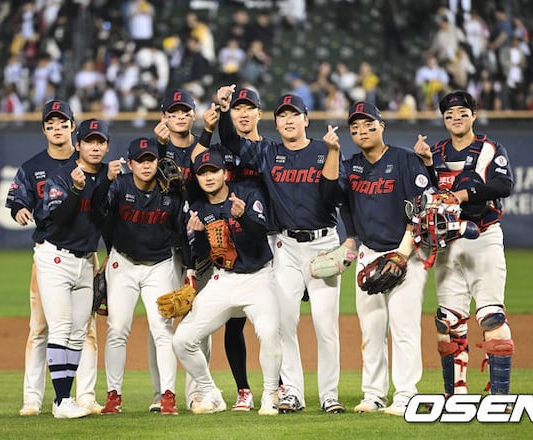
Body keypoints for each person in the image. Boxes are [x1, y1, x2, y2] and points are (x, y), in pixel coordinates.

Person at [195, 88, 345, 413]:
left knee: (325, 325)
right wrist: (224, 111)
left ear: (306, 119)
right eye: (283, 116)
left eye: (294, 115)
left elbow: (335, 196)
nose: (289, 120)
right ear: (275, 123)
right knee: (284, 323)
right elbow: (231, 141)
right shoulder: (267, 153)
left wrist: (333, 153)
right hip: (285, 245)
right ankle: (292, 392)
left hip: (323, 244)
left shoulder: (324, 150)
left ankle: (329, 395)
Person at [321, 101, 430, 416]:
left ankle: (406, 394)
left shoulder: (405, 160)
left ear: (382, 126)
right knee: (371, 329)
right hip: (369, 254)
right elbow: (333, 197)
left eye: (369, 125)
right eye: (355, 128)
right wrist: (332, 152)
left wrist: (402, 253)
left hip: (407, 253)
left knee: (404, 327)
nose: (362, 131)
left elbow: (423, 208)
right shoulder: (351, 165)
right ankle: (374, 394)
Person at [413, 90, 515, 400]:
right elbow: (428, 190)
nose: (456, 118)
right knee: (447, 322)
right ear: (443, 120)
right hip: (448, 243)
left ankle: (500, 399)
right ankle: (455, 397)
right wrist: (426, 163)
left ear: (474, 115)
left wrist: (462, 195)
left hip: (483, 237)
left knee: (492, 317)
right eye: (449, 115)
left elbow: (504, 184)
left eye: (462, 113)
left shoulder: (489, 148)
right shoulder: (436, 152)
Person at [5, 100, 102, 417]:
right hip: (51, 253)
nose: (57, 128)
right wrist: (19, 208)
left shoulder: (90, 160)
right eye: (51, 124)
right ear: (43, 129)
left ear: (73, 126)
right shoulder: (33, 167)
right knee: (40, 328)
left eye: (62, 123)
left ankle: (84, 396)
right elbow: (17, 198)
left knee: (85, 329)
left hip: (86, 254)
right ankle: (33, 398)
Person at [172, 150, 282, 416]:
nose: (208, 177)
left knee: (268, 333)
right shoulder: (198, 209)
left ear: (225, 173)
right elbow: (202, 252)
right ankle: (210, 393)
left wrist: (243, 216)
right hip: (223, 280)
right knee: (182, 340)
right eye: (203, 173)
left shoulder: (247, 194)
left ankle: (270, 395)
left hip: (258, 279)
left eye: (213, 171)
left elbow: (260, 235)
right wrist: (199, 235)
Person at [91, 137, 189, 416]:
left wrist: (190, 268)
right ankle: (113, 396)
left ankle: (168, 396)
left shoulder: (170, 191)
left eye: (151, 160)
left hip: (160, 266)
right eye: (140, 160)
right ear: (130, 163)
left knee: (162, 330)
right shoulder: (119, 185)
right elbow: (98, 212)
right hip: (123, 263)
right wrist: (106, 182)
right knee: (117, 329)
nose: (146, 165)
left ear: (157, 162)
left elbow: (181, 232)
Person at [34, 116, 111, 418]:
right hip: (55, 257)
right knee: (61, 327)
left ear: (107, 146)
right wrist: (77, 190)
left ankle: (63, 400)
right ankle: (63, 399)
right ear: (78, 145)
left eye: (100, 141)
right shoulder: (62, 176)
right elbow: (60, 219)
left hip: (85, 260)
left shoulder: (106, 175)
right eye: (89, 141)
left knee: (79, 332)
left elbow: (106, 217)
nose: (95, 147)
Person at [150, 88, 209, 411]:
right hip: (164, 245)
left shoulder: (205, 147)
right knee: (161, 319)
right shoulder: (152, 151)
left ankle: (198, 392)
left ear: (193, 115)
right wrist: (159, 149)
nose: (180, 117)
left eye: (185, 111)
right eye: (173, 112)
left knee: (200, 320)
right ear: (164, 117)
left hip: (200, 244)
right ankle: (161, 392)